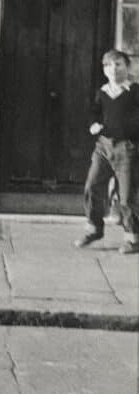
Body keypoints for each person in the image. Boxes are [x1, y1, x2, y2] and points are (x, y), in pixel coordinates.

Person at [74, 49, 139, 255]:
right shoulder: (102, 92)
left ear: (128, 67)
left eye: (118, 64)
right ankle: (94, 228)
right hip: (103, 147)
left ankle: (132, 237)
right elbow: (94, 112)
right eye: (109, 65)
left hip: (126, 148)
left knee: (127, 196)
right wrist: (94, 124)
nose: (113, 69)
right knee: (93, 185)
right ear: (104, 70)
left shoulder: (135, 91)